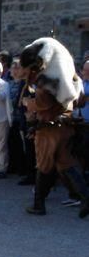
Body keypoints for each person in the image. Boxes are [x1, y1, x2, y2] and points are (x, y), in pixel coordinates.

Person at [20, 38, 88, 218]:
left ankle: (38, 205)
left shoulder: (46, 80)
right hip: (65, 126)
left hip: (49, 128)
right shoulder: (71, 77)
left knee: (43, 165)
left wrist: (29, 103)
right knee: (67, 163)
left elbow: (43, 103)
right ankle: (86, 198)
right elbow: (79, 100)